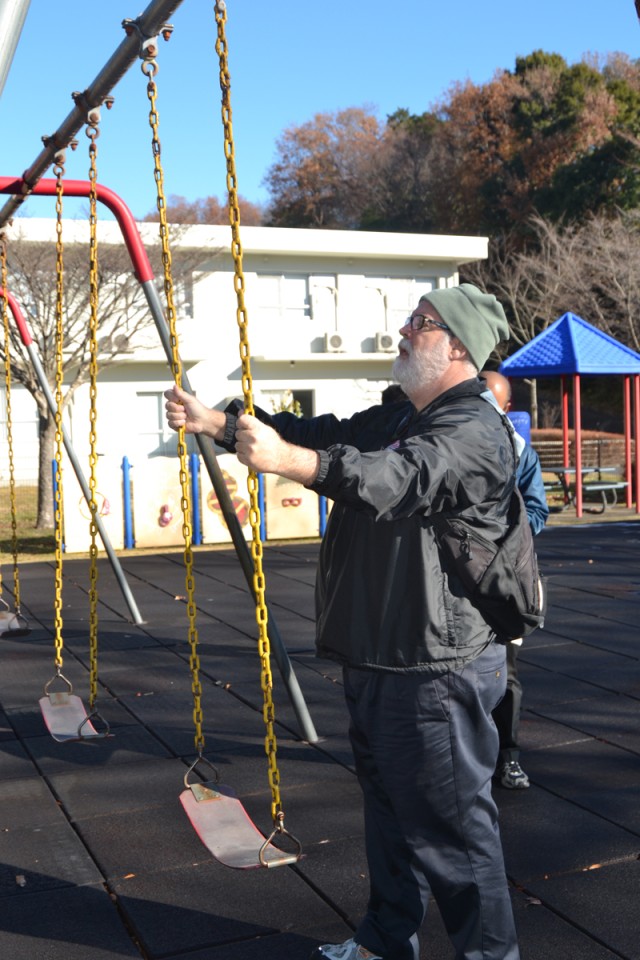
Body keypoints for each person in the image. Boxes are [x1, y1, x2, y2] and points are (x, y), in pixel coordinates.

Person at [165, 283, 520, 960]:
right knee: (389, 815)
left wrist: (292, 465)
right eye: (412, 318)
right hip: (384, 652)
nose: (405, 330)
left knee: (455, 836)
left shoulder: (470, 428)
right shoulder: (398, 414)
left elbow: (394, 480)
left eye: (423, 322)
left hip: (436, 666)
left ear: (458, 347)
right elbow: (321, 435)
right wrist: (217, 422)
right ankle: (388, 939)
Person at [481, 370, 549, 791]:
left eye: (492, 403)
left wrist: (503, 529)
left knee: (505, 674)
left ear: (506, 410)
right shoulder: (448, 438)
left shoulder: (521, 452)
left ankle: (508, 756)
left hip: (503, 576)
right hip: (452, 578)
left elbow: (538, 512)